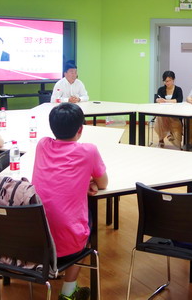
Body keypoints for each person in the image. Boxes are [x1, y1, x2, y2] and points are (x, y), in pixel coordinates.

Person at [32, 103, 108, 300]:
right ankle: (68, 291)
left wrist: (82, 180)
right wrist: (88, 181)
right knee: (85, 224)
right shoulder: (89, 151)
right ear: (80, 129)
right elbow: (103, 183)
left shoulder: (42, 144)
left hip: (36, 235)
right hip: (68, 240)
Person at [154, 70, 183, 148]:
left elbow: (179, 100)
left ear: (173, 80)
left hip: (175, 116)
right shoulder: (161, 89)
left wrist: (166, 101)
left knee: (177, 144)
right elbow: (157, 99)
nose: (167, 83)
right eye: (165, 81)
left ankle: (168, 134)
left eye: (169, 81)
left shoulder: (178, 89)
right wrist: (157, 100)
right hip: (163, 115)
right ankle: (162, 139)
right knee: (160, 117)